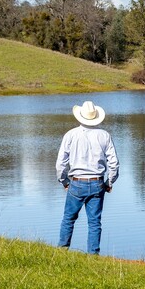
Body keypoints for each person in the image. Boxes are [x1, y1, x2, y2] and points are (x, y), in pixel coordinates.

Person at [56, 100, 119, 255]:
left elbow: (60, 164)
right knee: (94, 222)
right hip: (97, 183)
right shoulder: (104, 136)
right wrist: (109, 182)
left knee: (68, 219)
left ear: (80, 117)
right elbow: (114, 164)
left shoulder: (70, 135)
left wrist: (64, 181)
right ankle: (93, 256)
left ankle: (62, 251)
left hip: (76, 183)